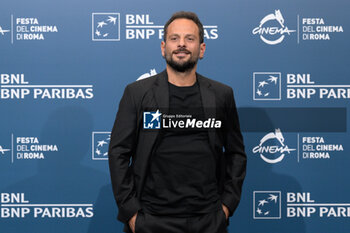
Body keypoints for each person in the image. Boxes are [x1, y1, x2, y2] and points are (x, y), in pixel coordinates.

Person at [108, 11, 247, 233]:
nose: (181, 44)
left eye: (189, 39)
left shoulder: (222, 95)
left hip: (208, 220)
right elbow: (118, 153)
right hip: (151, 220)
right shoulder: (137, 93)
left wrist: (227, 206)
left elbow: (236, 153)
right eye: (174, 38)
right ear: (163, 47)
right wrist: (132, 214)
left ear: (201, 49)